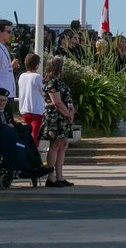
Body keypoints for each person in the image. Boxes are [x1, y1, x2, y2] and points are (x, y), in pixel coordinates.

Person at [0, 88, 51, 181]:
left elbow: (11, 122)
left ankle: (37, 165)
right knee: (18, 141)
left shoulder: (7, 107)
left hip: (7, 135)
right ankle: (24, 168)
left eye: (3, 100)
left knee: (26, 135)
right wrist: (8, 126)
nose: (1, 103)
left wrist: (14, 126)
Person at [40, 55, 73, 186]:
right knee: (55, 145)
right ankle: (51, 177)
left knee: (63, 144)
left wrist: (71, 112)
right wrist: (68, 114)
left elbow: (68, 100)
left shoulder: (61, 82)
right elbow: (57, 102)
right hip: (55, 116)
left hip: (64, 116)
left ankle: (60, 176)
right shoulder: (51, 82)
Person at [17, 53, 45, 145]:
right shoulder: (37, 77)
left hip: (24, 110)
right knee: (35, 138)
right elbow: (44, 92)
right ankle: (32, 156)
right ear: (36, 65)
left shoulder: (22, 76)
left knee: (27, 137)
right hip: (36, 110)